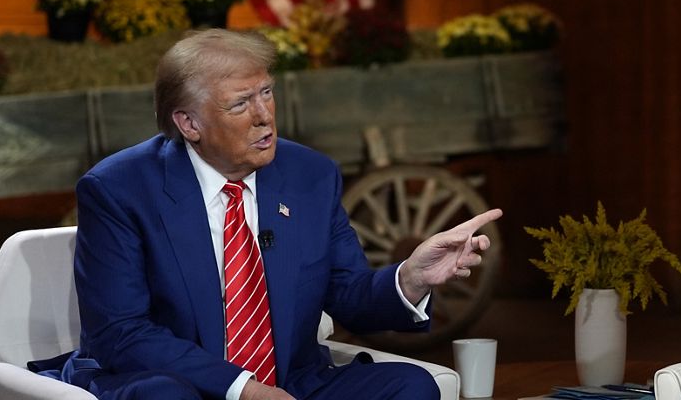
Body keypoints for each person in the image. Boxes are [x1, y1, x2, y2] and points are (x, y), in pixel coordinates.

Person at [44, 28, 502, 400]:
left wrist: (411, 278)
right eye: (241, 103)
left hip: (289, 384)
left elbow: (346, 293)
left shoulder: (310, 176)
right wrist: (242, 390)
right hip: (179, 384)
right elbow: (121, 333)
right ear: (189, 123)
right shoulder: (119, 189)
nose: (265, 116)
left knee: (410, 386)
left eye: (266, 93)